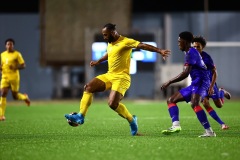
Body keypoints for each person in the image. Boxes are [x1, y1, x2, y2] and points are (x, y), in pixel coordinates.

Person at [65, 23, 171, 136]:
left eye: (106, 35)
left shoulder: (126, 42)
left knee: (112, 104)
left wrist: (160, 51)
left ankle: (132, 120)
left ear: (113, 33)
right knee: (88, 87)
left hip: (122, 78)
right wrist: (98, 61)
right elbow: (109, 54)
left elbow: (143, 45)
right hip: (110, 75)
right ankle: (81, 116)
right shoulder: (110, 43)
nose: (104, 37)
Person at [161, 31, 216, 137]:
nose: (178, 43)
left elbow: (185, 73)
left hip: (202, 81)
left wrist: (169, 81)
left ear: (185, 41)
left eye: (179, 41)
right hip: (196, 82)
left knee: (194, 103)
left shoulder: (191, 53)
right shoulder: (189, 52)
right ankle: (176, 125)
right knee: (171, 100)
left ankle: (209, 132)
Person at [192, 36, 231, 130]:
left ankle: (221, 91)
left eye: (198, 46)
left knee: (219, 105)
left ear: (202, 47)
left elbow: (215, 73)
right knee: (205, 103)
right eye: (194, 47)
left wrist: (211, 86)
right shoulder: (191, 57)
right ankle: (222, 124)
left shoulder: (207, 58)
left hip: (210, 84)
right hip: (201, 85)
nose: (196, 48)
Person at [0, 38, 30, 121]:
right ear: (5, 46)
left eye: (11, 44)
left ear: (13, 46)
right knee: (3, 93)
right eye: (8, 44)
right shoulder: (2, 55)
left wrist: (15, 67)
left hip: (14, 77)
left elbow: (23, 65)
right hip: (5, 77)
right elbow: (2, 65)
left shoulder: (17, 54)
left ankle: (24, 97)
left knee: (15, 96)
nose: (9, 46)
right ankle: (1, 115)